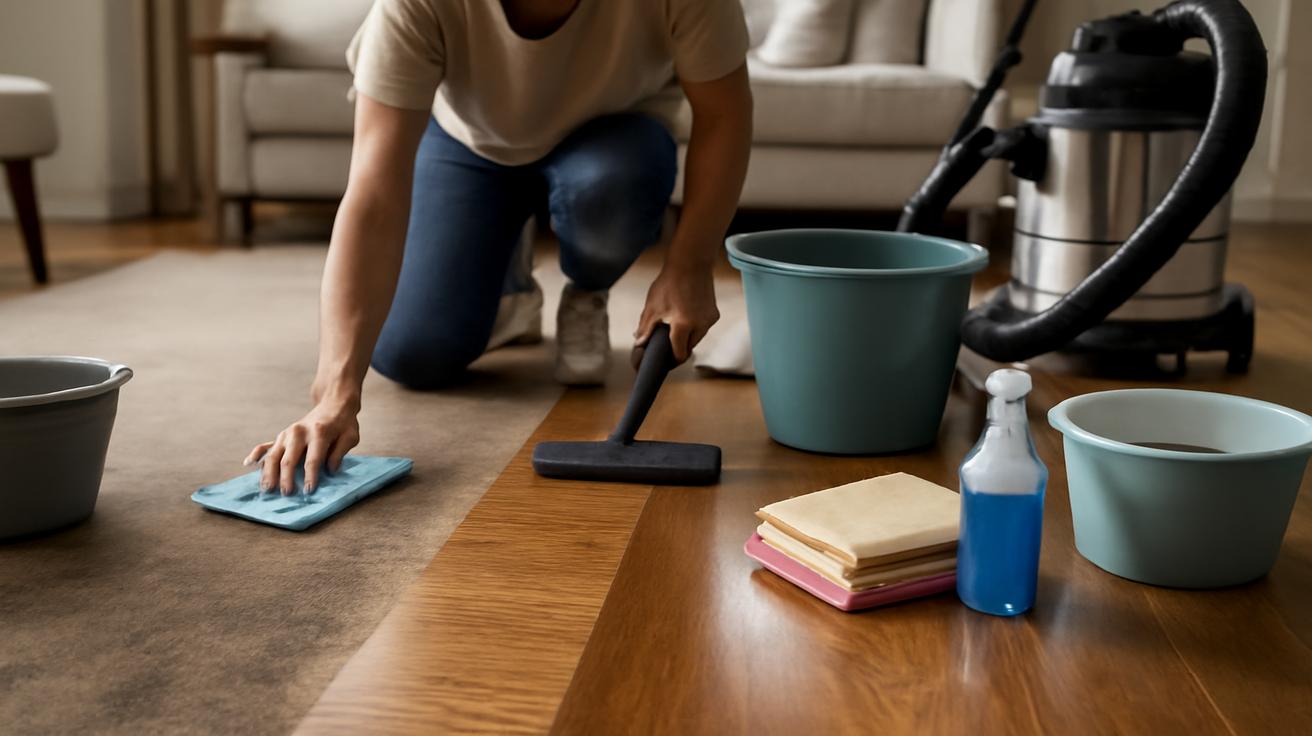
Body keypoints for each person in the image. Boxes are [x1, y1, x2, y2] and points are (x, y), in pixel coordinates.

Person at [245, 0, 754, 494]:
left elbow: (725, 116)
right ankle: (510, 285)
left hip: (614, 140)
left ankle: (588, 285)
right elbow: (373, 196)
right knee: (411, 356)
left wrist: (689, 264)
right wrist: (334, 394)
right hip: (469, 142)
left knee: (606, 193)